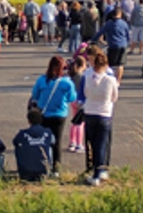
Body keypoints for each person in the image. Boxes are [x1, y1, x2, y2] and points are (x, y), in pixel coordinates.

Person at [29, 55, 79, 171]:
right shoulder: (67, 82)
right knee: (56, 142)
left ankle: (42, 165)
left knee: (43, 140)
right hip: (59, 114)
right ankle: (56, 169)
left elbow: (35, 95)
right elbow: (72, 98)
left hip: (43, 113)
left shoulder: (41, 80)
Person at [80, 47, 119, 186]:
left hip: (90, 112)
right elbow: (114, 97)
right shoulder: (110, 79)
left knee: (92, 143)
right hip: (104, 113)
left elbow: (85, 93)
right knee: (102, 144)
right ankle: (100, 172)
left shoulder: (87, 77)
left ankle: (94, 170)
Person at [12, 110, 56, 182]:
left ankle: (24, 167)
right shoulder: (48, 132)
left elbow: (15, 142)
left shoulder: (23, 133)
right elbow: (53, 141)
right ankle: (48, 167)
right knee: (49, 146)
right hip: (43, 169)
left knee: (18, 147)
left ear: (29, 121)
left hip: (26, 170)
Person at [94, 8, 131, 82]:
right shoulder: (124, 23)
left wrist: (93, 40)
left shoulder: (108, 23)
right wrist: (127, 42)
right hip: (122, 45)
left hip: (112, 45)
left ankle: (110, 80)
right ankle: (118, 81)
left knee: (109, 65)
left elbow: (100, 32)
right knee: (120, 65)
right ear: (120, 14)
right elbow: (128, 35)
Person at [66, 55, 87, 154]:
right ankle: (79, 144)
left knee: (74, 122)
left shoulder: (72, 76)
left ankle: (72, 142)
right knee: (80, 123)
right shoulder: (82, 77)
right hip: (80, 101)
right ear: (82, 65)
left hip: (73, 101)